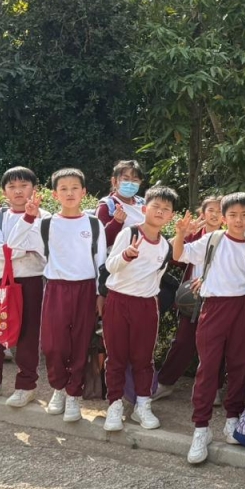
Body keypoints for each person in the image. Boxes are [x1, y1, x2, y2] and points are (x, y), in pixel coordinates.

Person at [8, 168, 104, 422]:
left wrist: (100, 294)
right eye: (63, 188)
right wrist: (28, 217)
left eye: (75, 188)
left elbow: (101, 261)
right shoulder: (46, 224)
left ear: (84, 192)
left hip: (85, 289)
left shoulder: (93, 224)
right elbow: (14, 243)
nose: (69, 193)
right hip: (55, 288)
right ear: (55, 194)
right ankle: (58, 388)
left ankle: (73, 394)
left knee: (80, 343)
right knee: (53, 345)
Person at [171, 194, 245, 463]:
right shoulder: (213, 239)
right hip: (213, 308)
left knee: (239, 366)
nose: (238, 220)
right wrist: (180, 234)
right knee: (208, 368)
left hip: (244, 309)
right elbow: (179, 254)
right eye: (232, 215)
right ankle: (201, 428)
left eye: (244, 215)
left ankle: (233, 419)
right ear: (223, 218)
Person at [101, 185, 178, 432]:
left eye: (166, 209)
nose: (160, 211)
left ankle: (142, 405)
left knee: (143, 359)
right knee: (116, 357)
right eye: (156, 206)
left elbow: (156, 279)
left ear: (171, 216)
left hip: (146, 305)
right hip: (118, 301)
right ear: (145, 209)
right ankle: (114, 404)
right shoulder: (130, 233)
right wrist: (126, 255)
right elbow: (110, 266)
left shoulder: (165, 246)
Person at [0, 167, 47, 407]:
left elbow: (44, 251)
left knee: (28, 334)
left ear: (34, 189)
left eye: (24, 186)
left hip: (31, 279)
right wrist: (24, 247)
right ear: (4, 192)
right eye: (12, 187)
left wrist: (13, 247)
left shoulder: (45, 218)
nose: (18, 191)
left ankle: (26, 386)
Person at [154, 195, 225, 401]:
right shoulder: (194, 234)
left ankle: (214, 388)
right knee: (183, 342)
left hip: (219, 298)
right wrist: (183, 235)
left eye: (220, 211)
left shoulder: (229, 238)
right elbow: (172, 256)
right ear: (202, 213)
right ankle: (165, 383)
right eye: (211, 210)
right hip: (192, 298)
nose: (215, 214)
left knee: (217, 345)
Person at [96, 159, 146, 249]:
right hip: (119, 256)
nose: (130, 184)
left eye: (135, 180)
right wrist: (117, 222)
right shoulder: (107, 206)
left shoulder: (144, 204)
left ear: (140, 183)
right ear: (114, 181)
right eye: (126, 179)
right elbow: (100, 241)